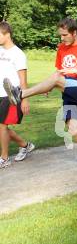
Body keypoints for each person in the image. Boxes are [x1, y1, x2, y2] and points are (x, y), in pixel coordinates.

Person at [3, 18, 77, 174]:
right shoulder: (62, 48)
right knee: (73, 129)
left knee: (56, 80)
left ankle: (20, 93)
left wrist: (74, 71)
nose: (62, 39)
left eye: (64, 35)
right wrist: (49, 85)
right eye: (60, 35)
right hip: (68, 92)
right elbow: (58, 73)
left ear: (74, 32)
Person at [0, 22, 34, 168]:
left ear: (7, 34)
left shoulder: (18, 54)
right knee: (1, 128)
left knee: (2, 127)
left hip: (11, 95)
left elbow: (23, 80)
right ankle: (25, 145)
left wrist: (25, 99)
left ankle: (4, 157)